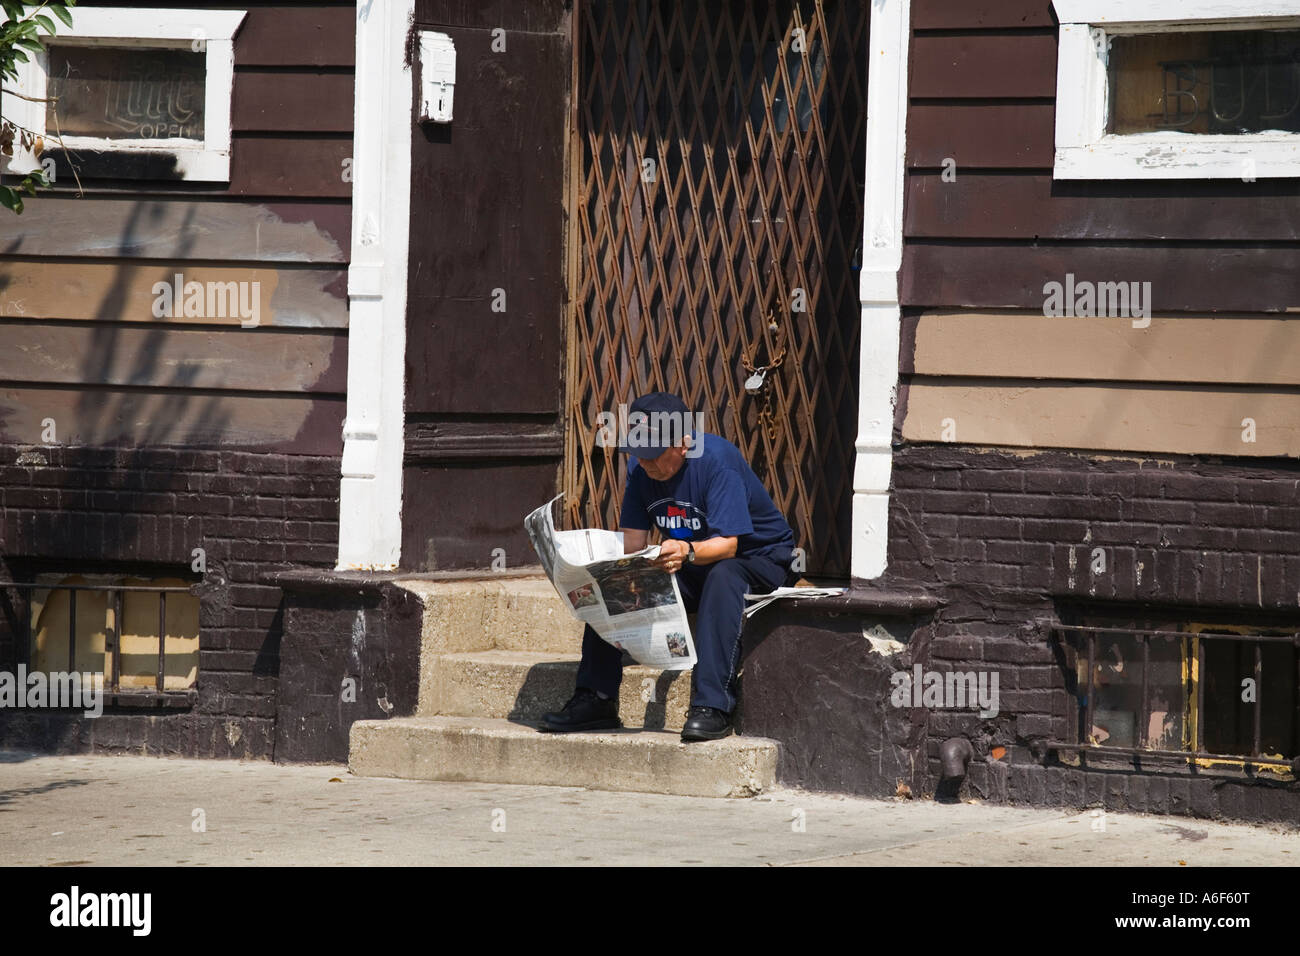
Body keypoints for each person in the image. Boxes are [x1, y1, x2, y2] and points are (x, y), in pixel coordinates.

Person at [540, 391, 795, 741]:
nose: (647, 463)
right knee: (613, 580)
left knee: (724, 576)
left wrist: (687, 551)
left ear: (684, 442)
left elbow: (729, 544)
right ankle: (595, 699)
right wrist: (616, 570)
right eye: (639, 454)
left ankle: (712, 704)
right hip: (689, 558)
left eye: (655, 454)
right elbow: (633, 543)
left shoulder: (716, 461)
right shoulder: (640, 470)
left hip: (756, 557)